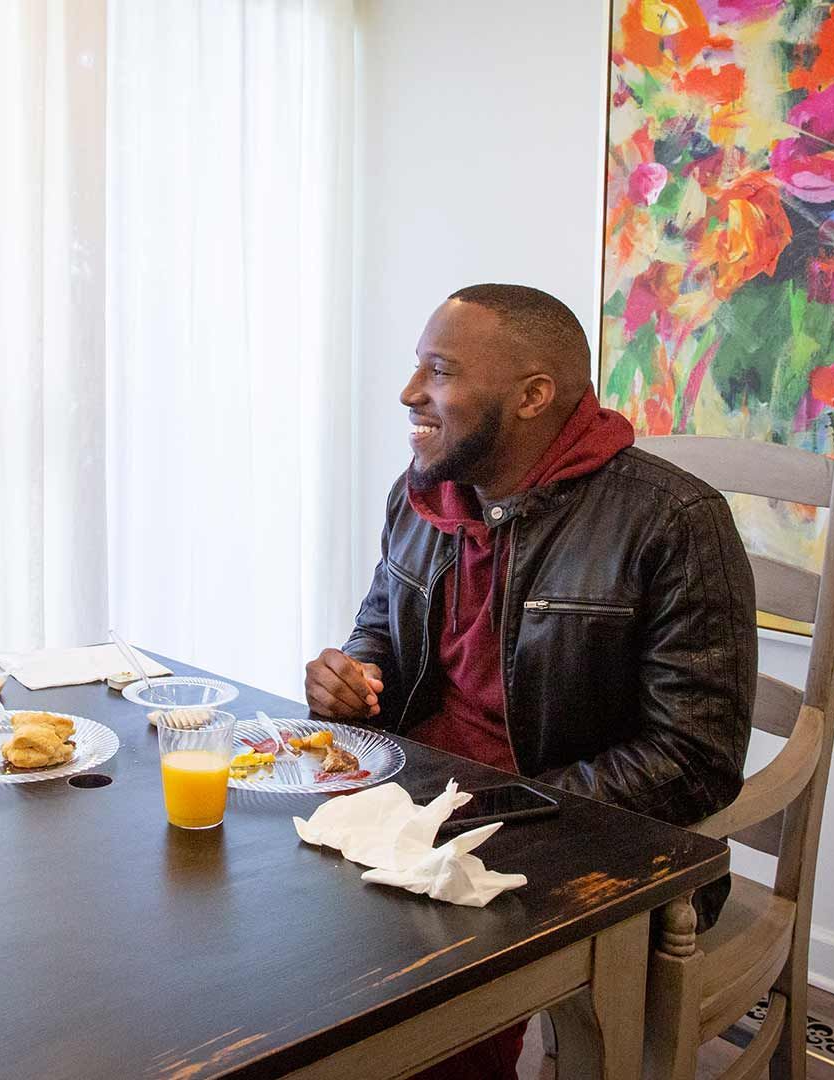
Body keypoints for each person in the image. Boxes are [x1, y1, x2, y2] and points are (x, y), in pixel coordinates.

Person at [304, 283, 755, 1079]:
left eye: (439, 372)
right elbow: (379, 626)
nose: (410, 394)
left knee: (404, 1021)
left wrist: (499, 808)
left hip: (576, 835)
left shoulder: (674, 521)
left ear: (533, 395)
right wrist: (353, 673)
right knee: (277, 941)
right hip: (417, 803)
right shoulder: (421, 496)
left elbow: (695, 759)